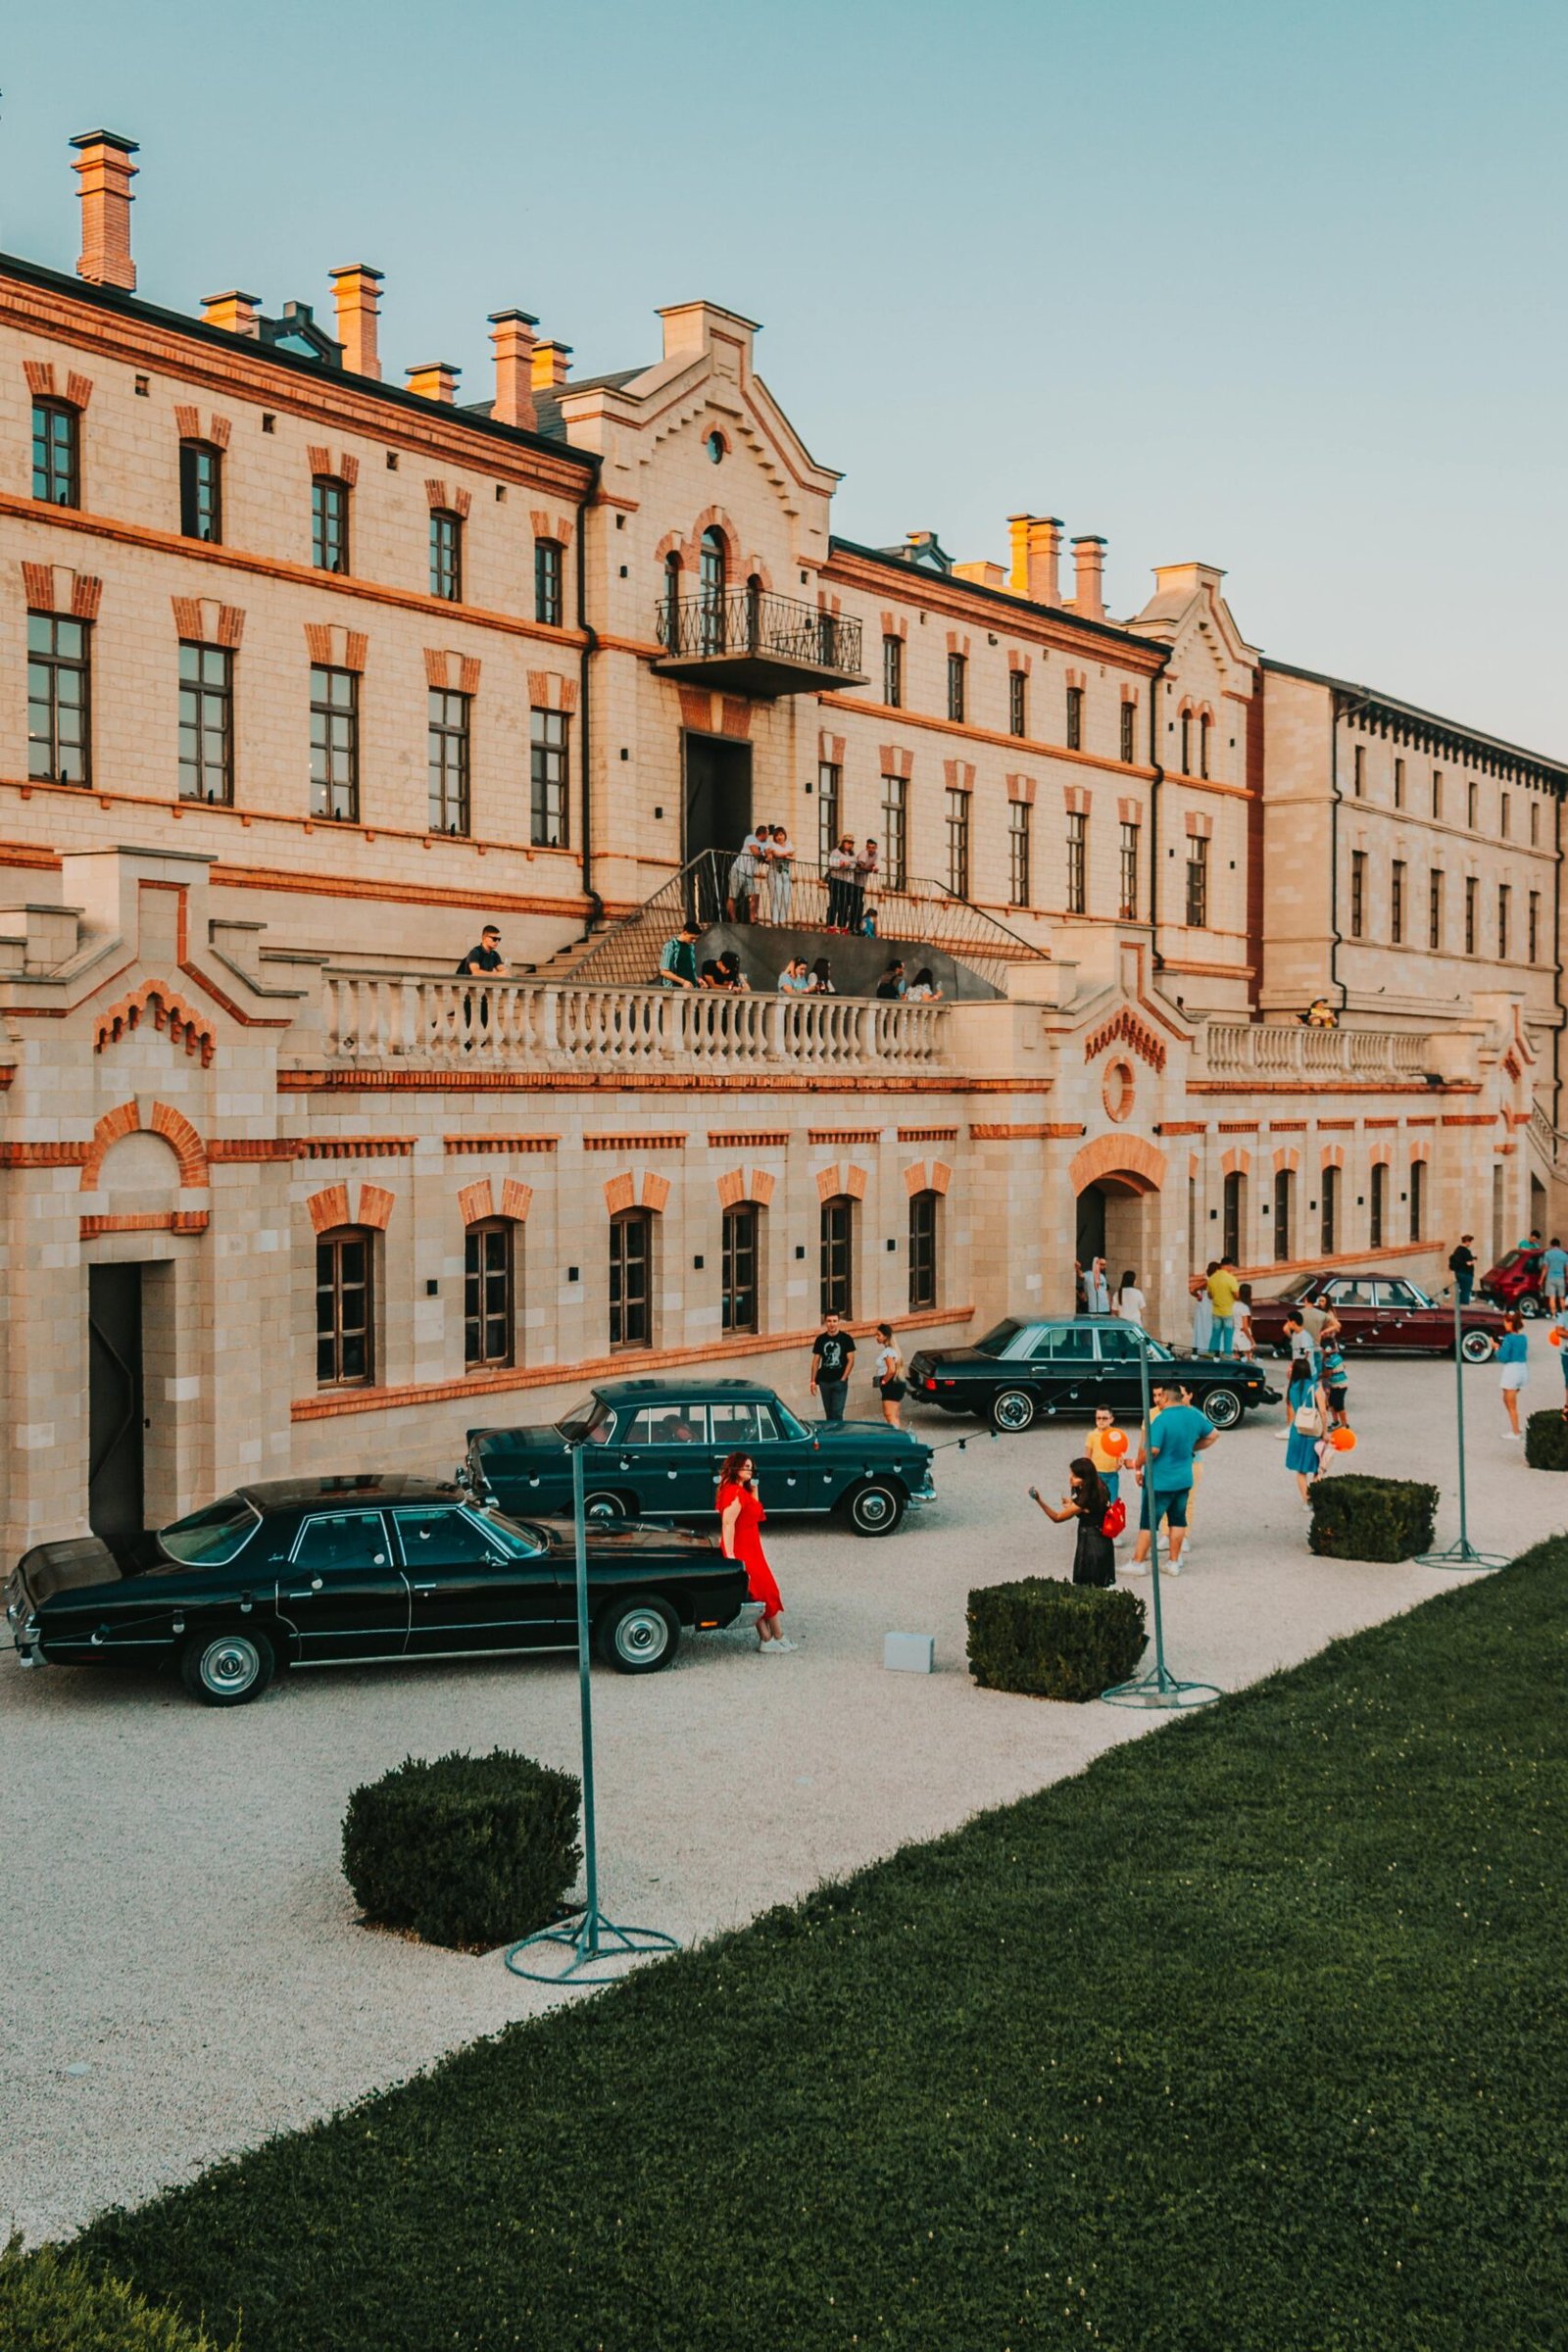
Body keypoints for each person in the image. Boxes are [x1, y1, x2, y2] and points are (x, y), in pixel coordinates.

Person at [1125, 1382, 1215, 1575]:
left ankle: (1138, 1562)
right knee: (1178, 1521)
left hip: (1160, 1481)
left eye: (1159, 1396)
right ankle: (1173, 1562)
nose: (1157, 1400)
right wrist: (1191, 1447)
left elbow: (1153, 1449)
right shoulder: (1193, 1415)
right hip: (1183, 1478)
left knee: (1148, 1522)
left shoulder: (1161, 1419)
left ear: (1166, 1397)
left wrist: (1138, 1463)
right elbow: (1214, 1435)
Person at [715, 1452, 794, 1652]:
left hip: (751, 1547)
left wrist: (754, 1488)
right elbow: (728, 1523)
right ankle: (776, 1637)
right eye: (746, 1466)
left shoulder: (740, 1491)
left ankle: (769, 1639)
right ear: (735, 1468)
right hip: (742, 1549)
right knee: (766, 1590)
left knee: (756, 1593)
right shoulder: (734, 1492)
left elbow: (756, 1512)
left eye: (751, 1467)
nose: (750, 1470)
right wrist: (731, 1555)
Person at [1029, 1460, 1115, 1588]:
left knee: (1086, 1583)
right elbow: (1092, 1509)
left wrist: (1038, 1500)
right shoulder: (1100, 1487)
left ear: (1085, 1479)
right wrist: (1073, 1505)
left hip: (1090, 1542)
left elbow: (1057, 1517)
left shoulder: (1085, 1499)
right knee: (1099, 1584)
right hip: (1103, 1540)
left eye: (1075, 1476)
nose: (1071, 1479)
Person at [1284, 1332, 1328, 1502]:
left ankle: (1305, 1499)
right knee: (1319, 1467)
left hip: (1298, 1429)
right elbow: (1323, 1412)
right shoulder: (1315, 1388)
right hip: (1312, 1431)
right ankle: (1314, 1496)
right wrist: (1325, 1432)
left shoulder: (1292, 1388)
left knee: (1300, 1470)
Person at [809, 1311, 857, 1421]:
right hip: (824, 1382)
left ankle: (838, 1436)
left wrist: (843, 1379)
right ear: (825, 1322)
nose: (832, 1324)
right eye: (829, 1321)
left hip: (839, 1381)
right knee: (829, 1414)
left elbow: (851, 1360)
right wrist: (812, 1381)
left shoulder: (846, 1339)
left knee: (837, 1413)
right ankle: (830, 1436)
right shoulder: (821, 1339)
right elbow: (816, 1361)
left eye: (834, 1321)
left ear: (838, 1321)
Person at [1085, 1404, 1128, 1507]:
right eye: (1098, 1418)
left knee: (1112, 1503)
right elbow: (1087, 1456)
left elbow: (1119, 1453)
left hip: (1112, 1475)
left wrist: (1119, 1462)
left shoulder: (1116, 1434)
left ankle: (1111, 1522)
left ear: (1111, 1419)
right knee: (1097, 1502)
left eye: (1104, 1418)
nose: (1101, 1421)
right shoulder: (1091, 1435)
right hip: (1097, 1475)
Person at [1497, 1310, 1529, 1439]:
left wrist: (1496, 1348)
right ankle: (1516, 1425)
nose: (1504, 1324)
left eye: (1505, 1321)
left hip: (1512, 1371)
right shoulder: (1523, 1338)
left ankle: (1516, 1432)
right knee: (1506, 1399)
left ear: (1510, 1323)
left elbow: (1503, 1357)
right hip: (1522, 1369)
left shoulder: (1509, 1338)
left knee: (1511, 1404)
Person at [872, 1322, 906, 1427]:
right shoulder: (892, 1350)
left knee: (889, 1415)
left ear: (885, 1336)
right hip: (896, 1384)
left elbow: (891, 1370)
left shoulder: (888, 1351)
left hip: (891, 1385)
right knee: (894, 1415)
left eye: (879, 1335)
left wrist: (883, 1381)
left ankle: (895, 1439)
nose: (876, 1337)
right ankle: (898, 1438)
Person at [1206, 1257, 1241, 1356]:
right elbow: (1236, 1295)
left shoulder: (1212, 1278)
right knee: (1228, 1335)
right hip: (1228, 1311)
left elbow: (1209, 1295)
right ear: (1229, 1265)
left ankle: (1212, 1353)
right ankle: (1227, 1355)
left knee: (1215, 1334)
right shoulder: (1231, 1279)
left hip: (1216, 1311)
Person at [727, 831, 763, 923]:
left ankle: (752, 919)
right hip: (738, 870)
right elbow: (756, 852)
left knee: (754, 895)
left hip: (749, 874)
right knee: (733, 896)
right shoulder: (751, 838)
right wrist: (764, 856)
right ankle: (733, 919)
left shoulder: (764, 844)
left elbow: (768, 854)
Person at [826, 834, 858, 930]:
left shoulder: (852, 855)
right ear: (843, 843)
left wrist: (847, 865)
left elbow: (853, 866)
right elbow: (831, 864)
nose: (850, 845)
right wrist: (841, 864)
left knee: (845, 904)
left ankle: (842, 925)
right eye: (848, 843)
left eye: (851, 843)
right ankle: (831, 925)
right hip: (836, 879)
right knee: (835, 902)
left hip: (847, 881)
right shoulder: (835, 852)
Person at [658, 921, 702, 989]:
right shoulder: (670, 946)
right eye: (692, 938)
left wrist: (698, 980)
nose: (694, 941)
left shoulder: (691, 947)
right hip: (675, 989)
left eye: (695, 938)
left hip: (691, 989)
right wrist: (683, 982)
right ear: (685, 933)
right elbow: (664, 972)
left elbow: (689, 970)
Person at [1321, 1332, 1348, 1429]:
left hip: (1340, 1385)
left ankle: (1345, 1425)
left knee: (1339, 1405)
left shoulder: (1330, 1360)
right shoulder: (1336, 1356)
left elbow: (1327, 1374)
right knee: (1332, 1404)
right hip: (1335, 1384)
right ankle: (1336, 1422)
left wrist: (1319, 1376)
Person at [768, 824, 795, 924]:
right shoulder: (772, 844)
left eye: (781, 834)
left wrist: (783, 855)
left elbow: (794, 857)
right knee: (776, 898)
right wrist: (786, 854)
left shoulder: (789, 844)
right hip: (775, 874)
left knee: (786, 899)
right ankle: (775, 921)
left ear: (784, 835)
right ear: (774, 837)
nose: (779, 837)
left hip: (786, 876)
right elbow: (776, 854)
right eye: (777, 835)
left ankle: (782, 921)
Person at [1190, 1262, 1218, 1356]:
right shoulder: (1207, 1281)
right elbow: (1192, 1289)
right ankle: (1203, 1349)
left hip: (1212, 1306)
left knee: (1210, 1328)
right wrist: (1198, 1296)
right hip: (1205, 1307)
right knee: (1204, 1327)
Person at [853, 838, 879, 932]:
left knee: (859, 904)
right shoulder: (864, 853)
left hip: (862, 883)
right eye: (869, 847)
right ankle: (853, 926)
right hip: (854, 882)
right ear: (866, 847)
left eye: (873, 847)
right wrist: (869, 869)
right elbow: (860, 866)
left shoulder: (876, 855)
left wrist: (873, 869)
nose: (870, 849)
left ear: (876, 848)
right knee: (856, 904)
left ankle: (856, 926)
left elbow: (872, 867)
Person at [1448, 1234, 1477, 1305]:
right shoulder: (1466, 1251)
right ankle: (1464, 1306)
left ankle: (1460, 1305)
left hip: (1458, 1273)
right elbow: (1468, 1263)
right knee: (1466, 1291)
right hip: (1466, 1274)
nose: (1470, 1244)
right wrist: (1473, 1261)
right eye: (1470, 1242)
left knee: (1461, 1290)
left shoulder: (1457, 1250)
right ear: (1467, 1241)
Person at [1544, 1236, 1568, 1315]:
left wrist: (1541, 1279)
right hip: (1561, 1278)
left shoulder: (1547, 1254)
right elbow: (1567, 1268)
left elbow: (1545, 1268)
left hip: (1550, 1278)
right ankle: (1564, 1313)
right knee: (1561, 1297)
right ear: (1559, 1245)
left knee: (1552, 1297)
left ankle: (1553, 1314)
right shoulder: (1564, 1255)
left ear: (1551, 1245)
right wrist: (1567, 1278)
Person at [1234, 1282, 1256, 1360]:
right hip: (1243, 1337)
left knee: (1235, 1359)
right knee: (1246, 1360)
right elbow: (1245, 1327)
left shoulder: (1234, 1305)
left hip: (1234, 1334)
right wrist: (1252, 1341)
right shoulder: (1245, 1308)